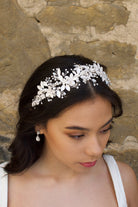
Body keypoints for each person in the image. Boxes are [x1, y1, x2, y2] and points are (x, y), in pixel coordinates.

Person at [0, 55, 137, 207]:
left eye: (104, 129)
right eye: (77, 135)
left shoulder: (123, 181)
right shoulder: (5, 189)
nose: (96, 150)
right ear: (39, 123)